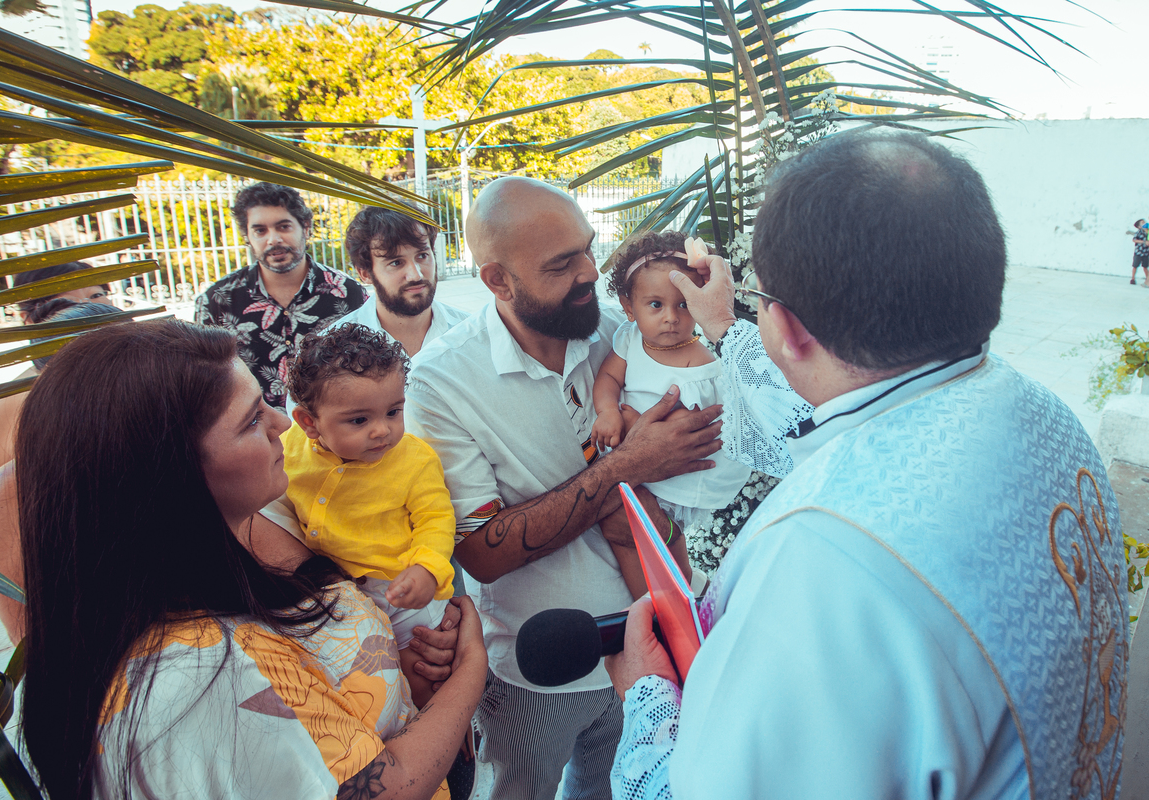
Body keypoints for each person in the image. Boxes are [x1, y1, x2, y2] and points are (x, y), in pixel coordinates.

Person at [605, 129, 1127, 799]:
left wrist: (649, 700)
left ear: (787, 329)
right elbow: (810, 426)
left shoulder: (824, 562)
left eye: (758, 302)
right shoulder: (1042, 415)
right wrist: (726, 327)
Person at [10, 318, 485, 800]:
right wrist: (468, 671)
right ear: (172, 476)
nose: (283, 423)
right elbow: (384, 788)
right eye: (253, 419)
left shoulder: (223, 548)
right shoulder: (207, 679)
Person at [405, 176, 724, 800]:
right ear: (497, 279)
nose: (590, 272)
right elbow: (482, 551)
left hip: (646, 662)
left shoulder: (621, 331)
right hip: (537, 672)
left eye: (586, 248)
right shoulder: (441, 383)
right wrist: (625, 467)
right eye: (561, 264)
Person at [283, 322, 456, 709]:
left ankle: (440, 739)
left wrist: (427, 570)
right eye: (359, 420)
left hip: (399, 588)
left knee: (422, 672)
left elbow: (436, 520)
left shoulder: (414, 459)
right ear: (309, 423)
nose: (383, 431)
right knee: (364, 685)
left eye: (394, 411)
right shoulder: (288, 448)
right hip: (336, 591)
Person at [590, 231, 764, 596]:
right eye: (655, 305)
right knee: (623, 529)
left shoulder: (700, 364)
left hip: (673, 470)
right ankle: (650, 602)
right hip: (632, 455)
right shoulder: (628, 339)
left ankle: (676, 593)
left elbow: (691, 428)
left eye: (683, 305)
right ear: (628, 306)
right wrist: (607, 411)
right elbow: (608, 376)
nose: (670, 317)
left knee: (648, 526)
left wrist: (636, 424)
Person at [194, 182, 366, 407]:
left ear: (306, 228)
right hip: (254, 435)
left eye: (283, 227)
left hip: (330, 435)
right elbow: (204, 383)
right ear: (247, 236)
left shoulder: (347, 294)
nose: (273, 239)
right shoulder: (217, 301)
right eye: (260, 230)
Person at [0, 262, 117, 484]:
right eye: (64, 300)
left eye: (96, 294)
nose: (85, 307)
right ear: (29, 318)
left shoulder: (149, 366)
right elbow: (0, 496)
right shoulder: (14, 399)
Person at [339, 204, 470, 355]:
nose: (416, 275)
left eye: (422, 256)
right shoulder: (337, 351)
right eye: (396, 262)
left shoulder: (470, 333)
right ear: (365, 274)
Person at [1131, 218, 1148, 286]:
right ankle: (1133, 278)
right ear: (1139, 226)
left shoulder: (1147, 232)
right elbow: (1134, 240)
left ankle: (1147, 279)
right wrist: (1143, 242)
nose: (1145, 223)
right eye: (1142, 223)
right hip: (1138, 252)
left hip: (1146, 252)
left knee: (1145, 267)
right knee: (1135, 266)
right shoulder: (1138, 232)